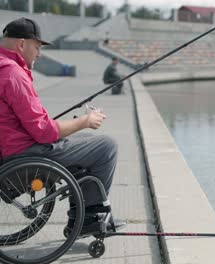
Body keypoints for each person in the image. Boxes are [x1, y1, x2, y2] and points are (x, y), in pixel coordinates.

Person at [0, 18, 125, 235]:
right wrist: (85, 121)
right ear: (22, 45)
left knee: (85, 143)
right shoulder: (12, 74)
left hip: (12, 150)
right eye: (37, 47)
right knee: (106, 146)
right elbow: (44, 132)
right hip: (25, 155)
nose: (39, 54)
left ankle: (82, 214)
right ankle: (89, 218)